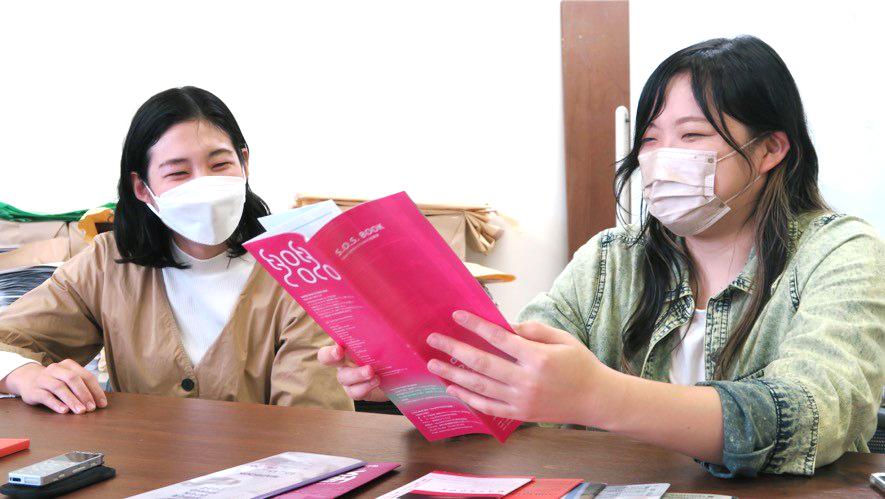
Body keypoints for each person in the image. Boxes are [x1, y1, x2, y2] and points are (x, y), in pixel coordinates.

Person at [319, 36, 885, 477]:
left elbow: (815, 414)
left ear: (770, 149)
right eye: (650, 139)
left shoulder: (840, 252)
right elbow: (517, 377)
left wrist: (598, 396)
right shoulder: (612, 259)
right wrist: (418, 377)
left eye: (692, 136)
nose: (660, 158)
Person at [0, 86, 352, 414]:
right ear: (142, 188)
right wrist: (23, 375)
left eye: (220, 165)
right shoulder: (108, 263)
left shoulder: (302, 269)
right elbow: (10, 339)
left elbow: (314, 424)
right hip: (137, 459)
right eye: (179, 173)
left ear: (244, 163)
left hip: (272, 460)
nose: (205, 184)